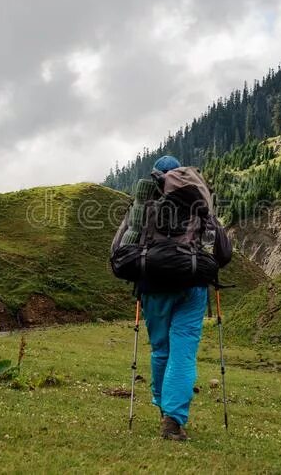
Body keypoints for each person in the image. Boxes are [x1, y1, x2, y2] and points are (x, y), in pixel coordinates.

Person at [111, 155, 231, 441]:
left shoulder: (142, 207)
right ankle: (173, 420)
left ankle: (163, 408)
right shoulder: (196, 201)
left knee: (161, 350)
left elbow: (118, 249)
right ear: (182, 175)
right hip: (192, 286)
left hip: (153, 286)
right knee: (183, 352)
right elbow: (222, 251)